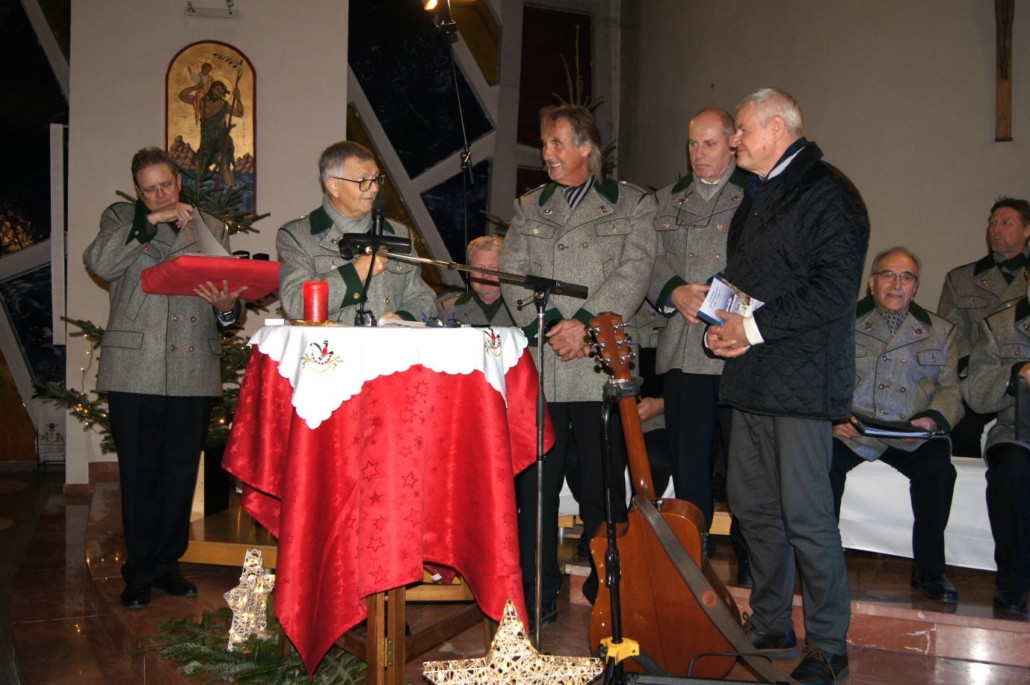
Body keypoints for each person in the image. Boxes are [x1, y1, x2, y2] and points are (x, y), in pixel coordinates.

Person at [706, 88, 869, 685]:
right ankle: (772, 622)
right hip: (753, 376)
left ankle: (828, 645)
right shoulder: (759, 195)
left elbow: (833, 289)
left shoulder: (829, 192)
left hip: (801, 383)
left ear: (777, 129)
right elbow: (747, 283)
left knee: (806, 517)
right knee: (752, 509)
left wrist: (747, 328)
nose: (733, 140)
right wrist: (719, 326)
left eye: (742, 129)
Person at [499, 103, 657, 626]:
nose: (547, 153)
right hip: (545, 363)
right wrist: (549, 328)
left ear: (587, 148)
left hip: (601, 363)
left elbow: (635, 271)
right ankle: (538, 592)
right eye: (545, 144)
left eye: (557, 143)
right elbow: (512, 272)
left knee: (602, 487)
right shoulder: (529, 208)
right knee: (538, 490)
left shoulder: (631, 204)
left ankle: (607, 589)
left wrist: (585, 326)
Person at [83, 147, 245, 609]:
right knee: (140, 474)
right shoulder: (123, 219)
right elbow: (101, 264)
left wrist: (227, 307)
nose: (159, 195)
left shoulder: (209, 227)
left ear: (179, 183)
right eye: (149, 189)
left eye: (166, 186)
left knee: (179, 473)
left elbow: (230, 299)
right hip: (137, 366)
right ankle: (138, 571)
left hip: (192, 367)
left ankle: (168, 564)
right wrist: (149, 222)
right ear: (139, 192)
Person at [646, 107, 750, 579]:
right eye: (692, 144)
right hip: (684, 346)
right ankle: (692, 550)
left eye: (709, 144)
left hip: (737, 346)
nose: (699, 154)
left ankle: (752, 558)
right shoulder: (665, 201)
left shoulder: (755, 194)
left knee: (744, 466)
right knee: (688, 461)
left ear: (732, 144)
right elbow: (646, 259)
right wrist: (673, 291)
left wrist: (721, 300)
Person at [830, 247, 962, 603]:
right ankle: (824, 561)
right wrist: (832, 417)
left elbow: (950, 389)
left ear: (915, 287)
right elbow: (819, 376)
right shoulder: (841, 321)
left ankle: (930, 569)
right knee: (822, 462)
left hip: (911, 431)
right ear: (872, 282)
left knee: (939, 471)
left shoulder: (941, 331)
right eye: (888, 274)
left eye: (906, 277)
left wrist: (932, 419)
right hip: (853, 427)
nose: (897, 284)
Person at [276, 141, 437, 323]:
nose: (374, 188)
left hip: (392, 341)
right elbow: (294, 305)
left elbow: (424, 298)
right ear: (334, 186)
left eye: (375, 179)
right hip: (332, 342)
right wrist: (355, 273)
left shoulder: (398, 233)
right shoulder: (299, 236)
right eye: (363, 180)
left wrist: (401, 319)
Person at [938, 197, 1030, 458]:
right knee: (959, 427)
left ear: (1027, 230)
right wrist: (972, 369)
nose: (996, 229)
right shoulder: (961, 279)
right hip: (980, 378)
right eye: (992, 223)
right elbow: (949, 335)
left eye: (1006, 223)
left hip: (1025, 380)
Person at [961, 282, 1030, 616]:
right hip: (1017, 429)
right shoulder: (1000, 326)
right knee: (1010, 472)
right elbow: (975, 393)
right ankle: (1012, 582)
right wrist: (1016, 373)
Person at [441, 235, 514, 326]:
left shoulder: (523, 309)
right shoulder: (449, 309)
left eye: (493, 268)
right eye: (479, 268)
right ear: (469, 271)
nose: (486, 275)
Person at [178, 79, 243, 174]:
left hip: (221, 137)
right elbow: (182, 96)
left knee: (224, 163)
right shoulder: (201, 101)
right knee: (199, 163)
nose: (218, 93)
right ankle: (200, 182)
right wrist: (194, 87)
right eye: (217, 90)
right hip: (207, 138)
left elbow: (239, 113)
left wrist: (238, 98)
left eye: (221, 92)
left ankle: (229, 183)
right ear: (211, 88)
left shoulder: (224, 105)